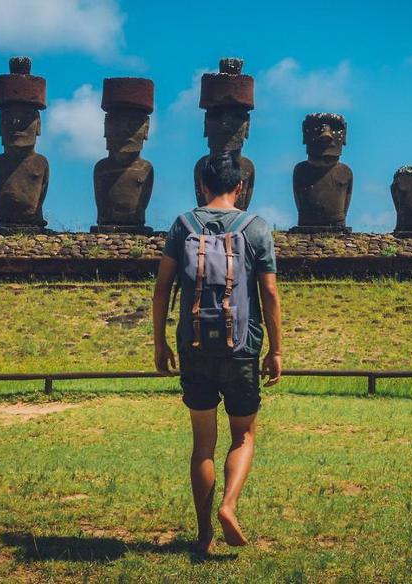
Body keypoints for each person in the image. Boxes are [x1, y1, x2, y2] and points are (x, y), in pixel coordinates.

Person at [152, 152, 283, 555]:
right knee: (243, 435)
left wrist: (159, 342)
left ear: (203, 186)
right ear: (239, 187)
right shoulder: (256, 228)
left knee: (202, 445)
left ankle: (205, 535)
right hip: (242, 347)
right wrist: (276, 350)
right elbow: (270, 293)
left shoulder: (182, 225)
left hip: (193, 347)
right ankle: (229, 506)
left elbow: (162, 289)